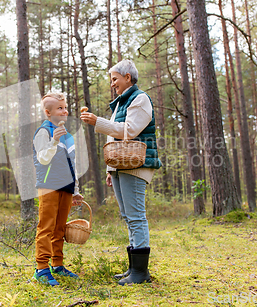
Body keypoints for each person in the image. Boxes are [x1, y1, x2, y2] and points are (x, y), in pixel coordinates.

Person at [80, 60, 162, 285]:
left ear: (128, 77)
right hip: (120, 166)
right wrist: (110, 169)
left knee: (136, 217)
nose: (112, 83)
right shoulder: (120, 103)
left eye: (115, 79)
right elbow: (113, 138)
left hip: (135, 166)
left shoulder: (140, 99)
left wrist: (98, 121)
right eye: (111, 80)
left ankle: (141, 273)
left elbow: (130, 131)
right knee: (128, 217)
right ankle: (134, 268)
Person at [32, 91, 84, 286]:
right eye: (60, 108)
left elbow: (73, 163)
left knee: (60, 228)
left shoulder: (68, 135)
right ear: (48, 112)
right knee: (46, 226)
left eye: (65, 107)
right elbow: (42, 158)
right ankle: (41, 268)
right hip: (48, 185)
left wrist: (76, 190)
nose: (65, 111)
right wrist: (54, 140)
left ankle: (58, 265)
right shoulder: (43, 132)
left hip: (66, 186)